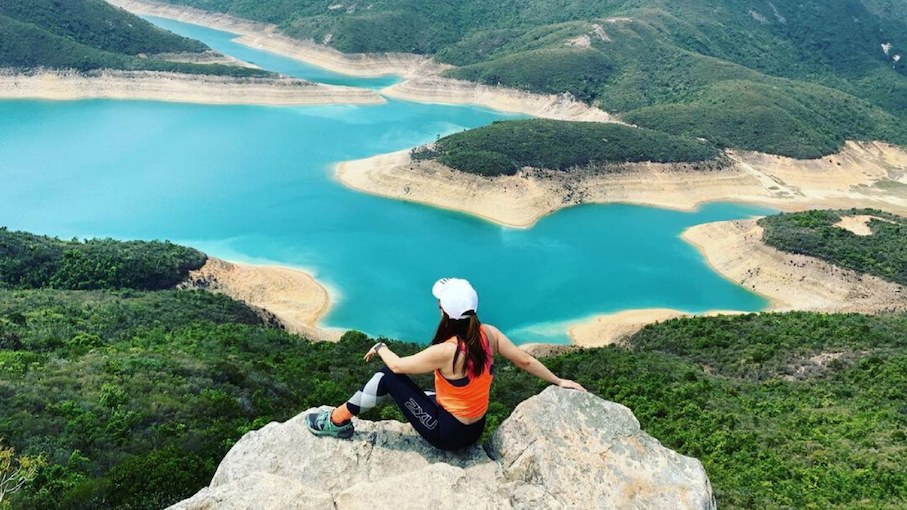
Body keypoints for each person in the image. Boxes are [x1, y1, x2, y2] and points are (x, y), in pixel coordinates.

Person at [305, 277, 586, 450]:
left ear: (444, 311)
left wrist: (381, 348)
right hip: (475, 427)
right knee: (417, 392)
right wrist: (559, 381)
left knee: (385, 377)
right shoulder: (489, 334)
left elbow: (399, 367)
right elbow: (524, 360)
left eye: (440, 302)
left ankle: (335, 421)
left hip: (449, 434)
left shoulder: (447, 351)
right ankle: (338, 419)